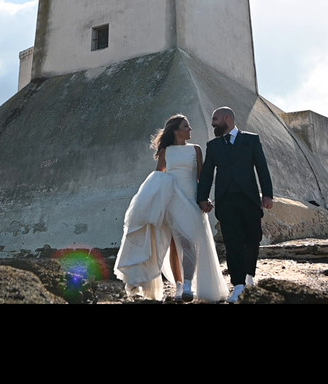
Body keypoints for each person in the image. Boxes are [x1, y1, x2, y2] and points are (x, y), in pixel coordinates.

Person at [113, 114, 229, 303]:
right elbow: (158, 177)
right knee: (175, 244)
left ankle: (190, 283)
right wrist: (147, 203)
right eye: (186, 126)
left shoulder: (196, 149)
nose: (190, 129)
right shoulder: (166, 151)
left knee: (190, 242)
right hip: (171, 200)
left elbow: (202, 178)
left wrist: (204, 198)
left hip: (191, 201)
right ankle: (180, 286)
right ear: (176, 130)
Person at [197, 107, 273, 303]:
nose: (212, 123)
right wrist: (202, 197)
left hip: (249, 199)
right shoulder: (213, 146)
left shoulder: (251, 140)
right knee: (233, 242)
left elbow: (262, 168)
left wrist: (267, 194)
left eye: (215, 119)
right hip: (225, 200)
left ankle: (249, 276)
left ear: (227, 118)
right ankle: (238, 285)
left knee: (253, 238)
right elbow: (206, 174)